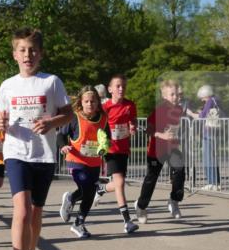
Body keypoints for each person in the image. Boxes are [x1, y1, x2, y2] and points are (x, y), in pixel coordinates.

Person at [0, 28, 73, 250]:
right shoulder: (7, 85)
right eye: (22, 50)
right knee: (23, 212)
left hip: (43, 155)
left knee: (37, 214)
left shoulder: (51, 82)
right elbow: (0, 119)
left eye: (32, 50)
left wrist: (51, 122)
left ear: (40, 54)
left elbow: (68, 113)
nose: (27, 54)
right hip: (16, 152)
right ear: (14, 54)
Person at [59, 87, 111, 238]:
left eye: (93, 101)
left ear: (98, 102)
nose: (90, 104)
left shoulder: (103, 119)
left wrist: (105, 146)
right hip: (76, 160)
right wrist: (63, 146)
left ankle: (73, 203)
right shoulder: (75, 117)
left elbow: (107, 139)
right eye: (86, 101)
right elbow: (61, 135)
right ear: (81, 102)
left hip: (94, 162)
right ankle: (78, 223)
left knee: (89, 192)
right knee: (87, 187)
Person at [135, 79, 186, 223]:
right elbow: (148, 130)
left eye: (177, 94)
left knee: (180, 171)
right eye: (172, 95)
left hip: (173, 148)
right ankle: (141, 207)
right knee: (151, 179)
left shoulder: (179, 110)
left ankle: (174, 201)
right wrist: (162, 135)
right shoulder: (159, 110)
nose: (176, 97)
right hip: (156, 150)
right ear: (164, 96)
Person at [98, 74, 140, 234]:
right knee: (120, 182)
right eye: (118, 86)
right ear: (110, 89)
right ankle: (127, 221)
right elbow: (98, 125)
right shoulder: (105, 107)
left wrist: (132, 127)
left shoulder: (130, 105)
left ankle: (100, 189)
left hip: (124, 148)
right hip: (111, 149)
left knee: (117, 183)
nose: (121, 89)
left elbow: (133, 120)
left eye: (123, 86)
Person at [187, 84, 224, 190]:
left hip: (209, 132)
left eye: (202, 97)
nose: (202, 100)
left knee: (208, 157)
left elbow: (201, 117)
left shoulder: (210, 101)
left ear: (205, 94)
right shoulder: (217, 100)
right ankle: (216, 183)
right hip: (215, 131)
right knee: (212, 157)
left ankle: (211, 183)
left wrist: (190, 113)